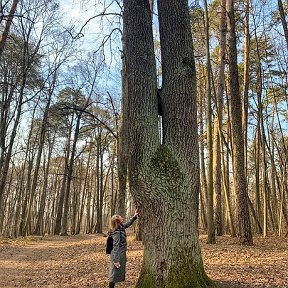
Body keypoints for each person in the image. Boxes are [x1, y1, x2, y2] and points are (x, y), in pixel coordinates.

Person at [108, 209, 139, 288]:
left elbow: (128, 224)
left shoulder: (121, 227)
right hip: (117, 255)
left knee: (115, 274)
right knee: (113, 274)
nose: (123, 219)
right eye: (121, 219)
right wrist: (116, 260)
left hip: (120, 254)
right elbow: (115, 246)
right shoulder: (117, 232)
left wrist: (134, 216)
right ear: (118, 222)